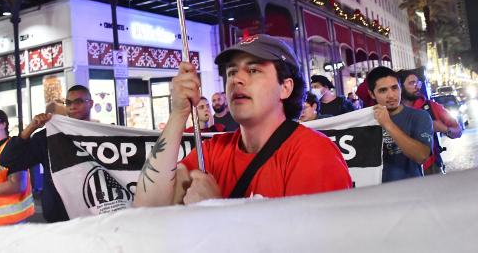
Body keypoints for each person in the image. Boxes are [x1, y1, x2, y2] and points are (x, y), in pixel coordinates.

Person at [134, 34, 352, 206]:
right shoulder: (211, 152)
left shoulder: (313, 152)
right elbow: (147, 207)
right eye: (231, 72)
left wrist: (217, 211)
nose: (236, 79)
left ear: (285, 88)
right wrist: (178, 113)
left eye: (253, 70)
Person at [0, 85, 94, 223]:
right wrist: (30, 128)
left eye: (78, 101)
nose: (72, 106)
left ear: (90, 103)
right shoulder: (47, 137)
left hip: (97, 212)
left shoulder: (107, 135)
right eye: (68, 102)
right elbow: (8, 160)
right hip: (59, 214)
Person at [367, 66, 433, 183]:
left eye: (394, 88)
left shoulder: (419, 116)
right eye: (383, 90)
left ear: (400, 88)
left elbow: (422, 156)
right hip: (377, 195)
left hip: (411, 193)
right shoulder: (365, 121)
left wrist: (388, 124)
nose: (391, 95)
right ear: (372, 94)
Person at [399, 70, 462, 174]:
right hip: (403, 171)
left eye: (418, 83)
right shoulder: (393, 110)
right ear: (400, 87)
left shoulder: (431, 107)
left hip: (430, 169)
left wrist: (444, 129)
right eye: (411, 83)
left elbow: (458, 131)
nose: (417, 87)